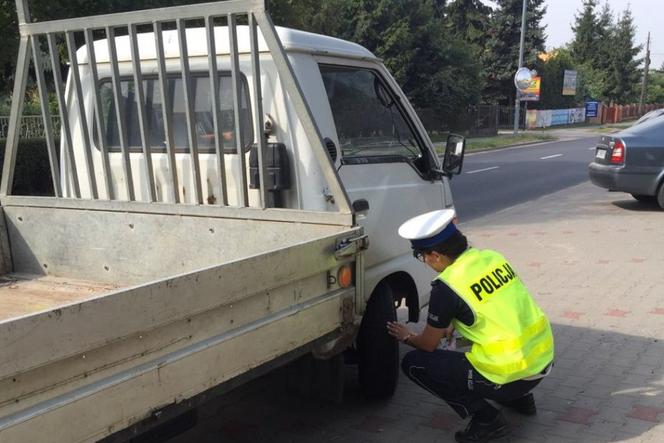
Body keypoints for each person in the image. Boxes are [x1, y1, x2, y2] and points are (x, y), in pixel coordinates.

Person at [387, 209, 554, 443]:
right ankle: (521, 398)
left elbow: (427, 344)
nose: (424, 262)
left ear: (434, 255)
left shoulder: (446, 288)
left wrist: (407, 336)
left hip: (507, 373)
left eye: (421, 256)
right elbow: (496, 306)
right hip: (541, 361)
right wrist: (454, 322)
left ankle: (487, 420)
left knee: (414, 364)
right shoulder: (492, 257)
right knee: (480, 349)